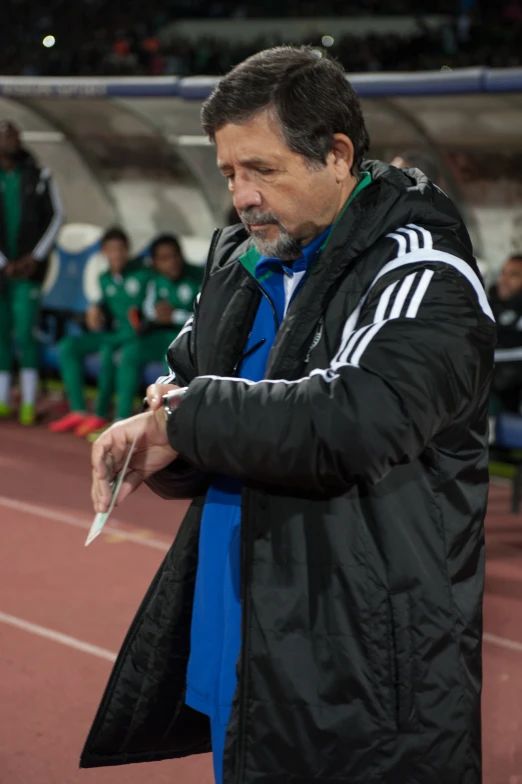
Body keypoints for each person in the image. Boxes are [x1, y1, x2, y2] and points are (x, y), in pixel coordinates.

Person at [81, 47, 495, 784]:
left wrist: (182, 416)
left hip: (361, 687)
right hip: (240, 661)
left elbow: (353, 421)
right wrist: (159, 440)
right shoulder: (242, 267)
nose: (242, 196)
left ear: (337, 156)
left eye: (262, 170)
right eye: (230, 174)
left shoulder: (420, 272)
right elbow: (186, 392)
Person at [86, 233, 199, 440]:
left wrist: (175, 315)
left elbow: (207, 313)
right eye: (164, 259)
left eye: (175, 256)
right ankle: (120, 421)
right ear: (154, 263)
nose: (171, 262)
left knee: (172, 360)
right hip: (157, 336)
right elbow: (146, 310)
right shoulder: (153, 280)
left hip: (184, 339)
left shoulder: (197, 277)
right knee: (129, 353)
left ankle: (168, 428)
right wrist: (155, 314)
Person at [49, 227, 151, 438]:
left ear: (128, 250)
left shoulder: (143, 274)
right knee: (68, 346)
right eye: (111, 250)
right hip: (113, 335)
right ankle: (78, 410)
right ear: (104, 252)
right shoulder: (104, 279)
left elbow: (147, 312)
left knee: (110, 351)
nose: (117, 255)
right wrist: (95, 308)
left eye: (121, 249)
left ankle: (108, 415)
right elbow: (106, 309)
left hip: (133, 337)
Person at [0, 121, 63, 425]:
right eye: (5, 134)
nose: (12, 139)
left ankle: (27, 402)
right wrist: (2, 262)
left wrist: (35, 257)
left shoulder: (39, 174)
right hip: (2, 271)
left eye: (15, 133)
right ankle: (2, 400)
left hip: (29, 272)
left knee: (25, 334)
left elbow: (56, 216)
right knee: (1, 333)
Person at [488, 253, 522, 415]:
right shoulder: (486, 306)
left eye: (514, 275)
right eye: (503, 273)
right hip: (485, 388)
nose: (504, 280)